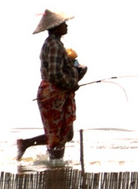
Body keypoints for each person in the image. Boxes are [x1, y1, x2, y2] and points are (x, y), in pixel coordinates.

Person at [16, 9, 87, 161]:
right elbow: (55, 73)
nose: (66, 26)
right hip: (53, 92)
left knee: (66, 134)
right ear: (56, 27)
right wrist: (71, 84)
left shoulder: (56, 43)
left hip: (59, 91)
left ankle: (30, 146)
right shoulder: (54, 44)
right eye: (63, 24)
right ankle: (54, 168)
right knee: (57, 134)